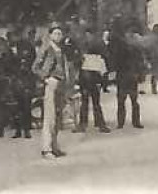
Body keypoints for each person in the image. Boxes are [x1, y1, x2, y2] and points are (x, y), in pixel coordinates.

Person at [33, 23, 73, 159]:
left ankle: (55, 146)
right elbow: (35, 67)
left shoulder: (60, 50)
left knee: (57, 117)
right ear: (50, 35)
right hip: (52, 82)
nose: (58, 36)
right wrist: (45, 78)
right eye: (55, 33)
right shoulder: (46, 48)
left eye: (60, 34)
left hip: (61, 84)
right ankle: (46, 148)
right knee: (49, 117)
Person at [76, 28, 112, 133]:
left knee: (88, 101)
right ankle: (99, 123)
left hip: (88, 76)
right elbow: (106, 57)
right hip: (92, 76)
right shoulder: (98, 44)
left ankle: (85, 124)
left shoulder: (83, 44)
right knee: (93, 101)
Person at [111, 25, 145, 129]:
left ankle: (122, 122)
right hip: (128, 75)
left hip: (126, 75)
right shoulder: (133, 47)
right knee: (129, 100)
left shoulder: (126, 47)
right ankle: (134, 122)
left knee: (126, 100)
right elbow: (139, 62)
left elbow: (139, 62)